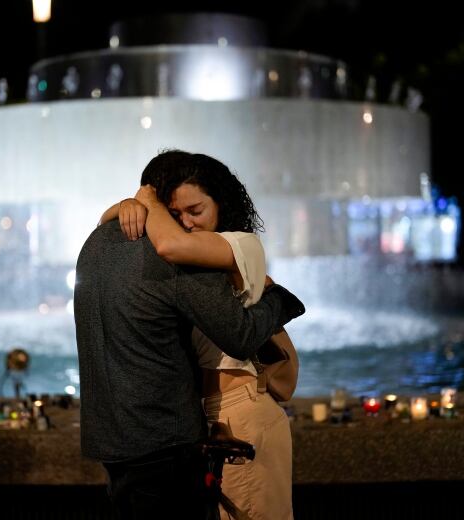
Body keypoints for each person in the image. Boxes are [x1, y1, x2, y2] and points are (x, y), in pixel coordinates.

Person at [75, 151, 305, 519]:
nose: (185, 223)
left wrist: (138, 203)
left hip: (233, 413)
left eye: (194, 211)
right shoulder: (180, 252)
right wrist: (126, 206)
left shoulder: (231, 244)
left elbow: (171, 247)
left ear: (221, 202)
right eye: (175, 213)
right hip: (181, 432)